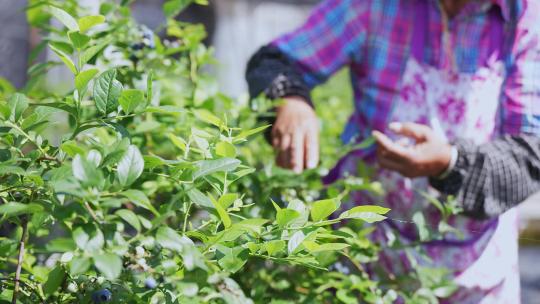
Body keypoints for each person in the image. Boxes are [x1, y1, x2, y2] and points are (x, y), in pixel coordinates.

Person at [246, 0, 540, 302]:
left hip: (476, 275)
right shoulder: (376, 6)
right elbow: (278, 60)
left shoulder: (525, 19)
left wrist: (449, 164)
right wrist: (289, 98)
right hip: (366, 259)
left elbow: (530, 155)